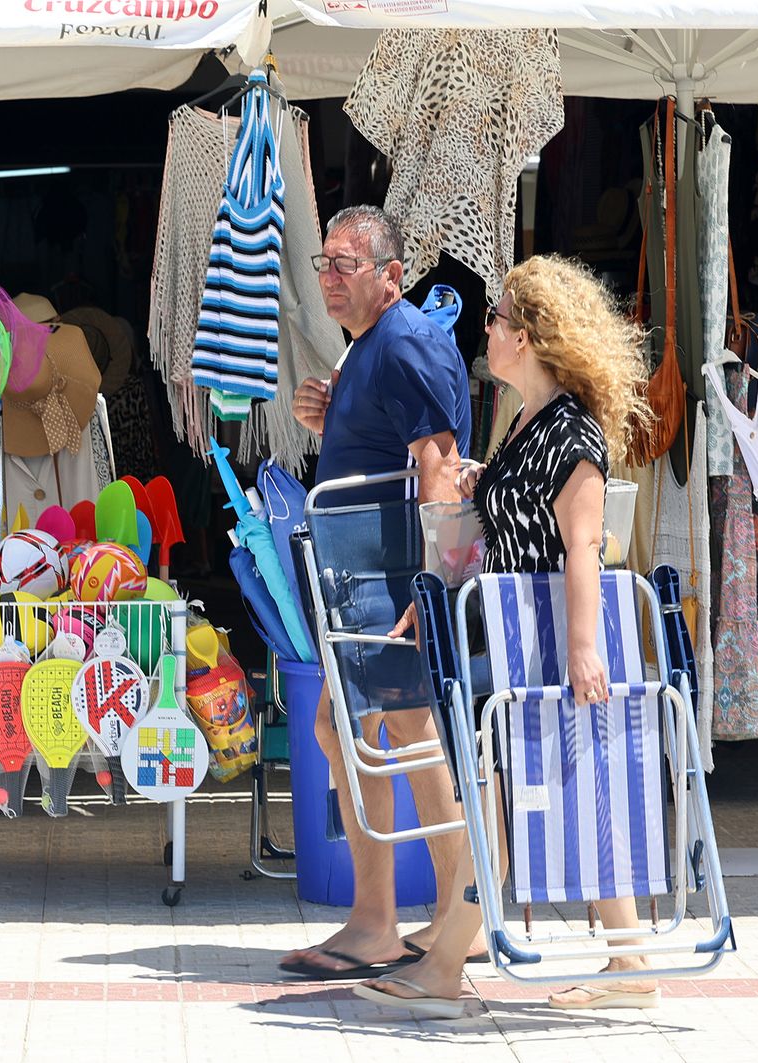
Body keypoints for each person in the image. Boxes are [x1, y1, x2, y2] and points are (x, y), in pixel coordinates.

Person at [355, 254, 659, 1018]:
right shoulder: (528, 423)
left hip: (552, 643)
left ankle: (446, 967)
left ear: (522, 338)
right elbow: (517, 509)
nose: (484, 332)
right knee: (529, 802)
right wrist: (480, 481)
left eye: (494, 322)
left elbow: (583, 542)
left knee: (498, 806)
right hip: (521, 641)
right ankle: (627, 959)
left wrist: (585, 647)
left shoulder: (571, 432)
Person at [278, 206, 479, 980]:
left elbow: (438, 467)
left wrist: (431, 590)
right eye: (322, 263)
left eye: (344, 265)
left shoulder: (407, 342)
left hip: (390, 575)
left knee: (391, 735)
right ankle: (409, 917)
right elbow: (391, 439)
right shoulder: (375, 344)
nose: (327, 277)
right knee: (359, 731)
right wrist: (331, 413)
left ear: (391, 277)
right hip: (364, 572)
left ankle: (423, 915)